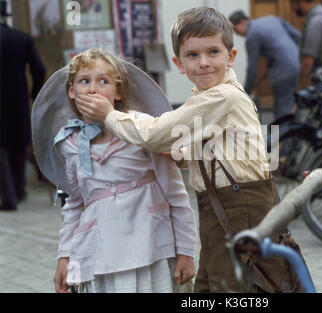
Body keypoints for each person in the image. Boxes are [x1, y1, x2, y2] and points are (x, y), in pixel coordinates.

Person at [76, 7, 305, 293]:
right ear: (179, 63)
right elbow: (220, 149)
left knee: (229, 290)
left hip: (238, 209)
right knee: (210, 287)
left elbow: (155, 134)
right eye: (193, 55)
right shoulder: (209, 97)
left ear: (231, 57)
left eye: (213, 52)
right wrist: (181, 156)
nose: (204, 63)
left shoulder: (221, 97)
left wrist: (108, 114)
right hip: (223, 208)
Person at [49, 48, 196, 293]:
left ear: (118, 92)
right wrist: (64, 256)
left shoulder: (142, 128)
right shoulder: (68, 144)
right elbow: (74, 202)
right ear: (71, 91)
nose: (92, 89)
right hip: (100, 253)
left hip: (151, 248)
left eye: (103, 81)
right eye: (84, 81)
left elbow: (176, 195)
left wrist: (186, 251)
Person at [0, 0, 46, 211]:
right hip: (17, 100)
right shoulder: (22, 39)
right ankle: (18, 191)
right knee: (18, 146)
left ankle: (8, 197)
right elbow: (39, 68)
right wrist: (34, 92)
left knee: (1, 148)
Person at [228, 10, 301, 120]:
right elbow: (298, 37)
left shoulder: (252, 35)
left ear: (242, 22)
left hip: (282, 72)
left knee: (282, 109)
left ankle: (284, 136)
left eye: (235, 30)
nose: (237, 34)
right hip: (297, 65)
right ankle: (300, 134)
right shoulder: (272, 19)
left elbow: (252, 69)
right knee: (293, 102)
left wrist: (246, 92)